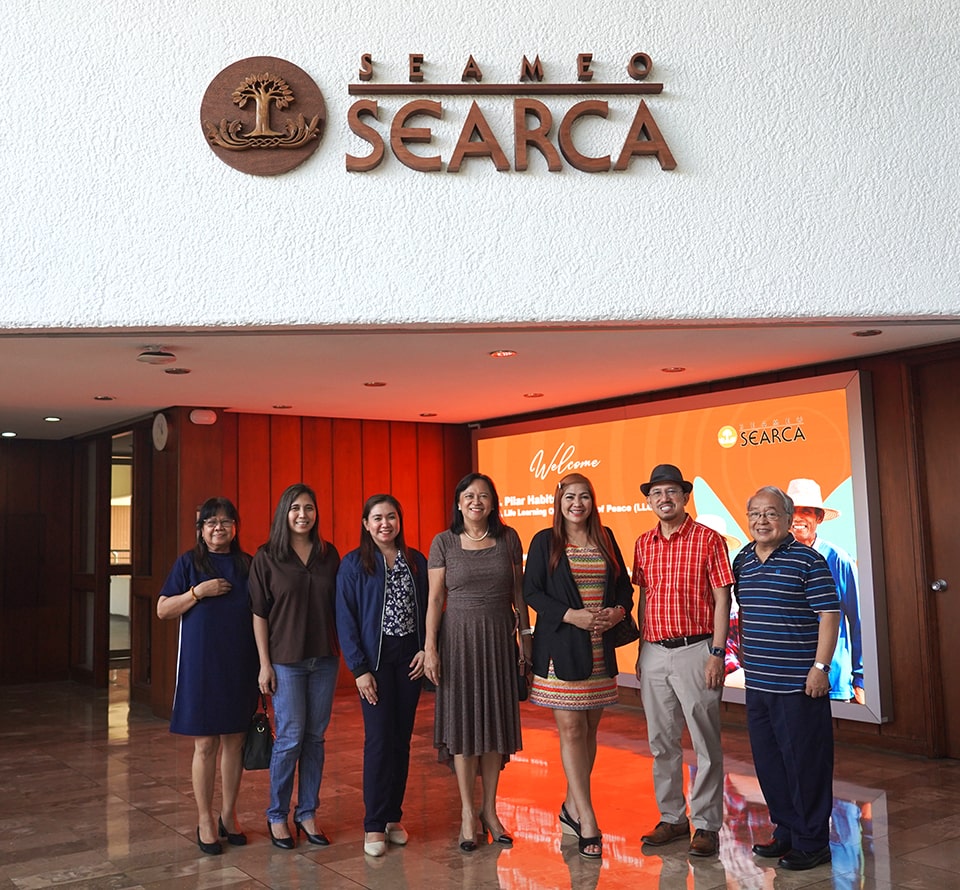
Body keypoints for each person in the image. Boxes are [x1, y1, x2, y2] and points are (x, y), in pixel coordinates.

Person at [523, 473, 635, 860]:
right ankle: (587, 817)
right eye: (570, 496)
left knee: (589, 728)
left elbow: (624, 587)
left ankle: (571, 805)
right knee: (570, 727)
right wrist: (573, 616)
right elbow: (531, 591)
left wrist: (617, 611)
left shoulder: (605, 536)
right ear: (559, 501)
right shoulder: (545, 540)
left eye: (584, 496)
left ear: (592, 500)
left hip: (600, 645)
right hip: (560, 648)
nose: (577, 503)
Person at [733, 486, 840, 871]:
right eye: (755, 513)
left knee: (806, 763)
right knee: (770, 762)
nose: (762, 521)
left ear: (787, 517)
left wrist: (820, 668)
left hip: (799, 684)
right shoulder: (743, 559)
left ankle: (813, 841)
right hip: (758, 683)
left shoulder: (808, 561)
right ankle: (788, 831)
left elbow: (830, 614)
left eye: (771, 513)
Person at [423, 472, 532, 852]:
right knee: (465, 727)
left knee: (494, 727)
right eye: (468, 495)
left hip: (499, 643)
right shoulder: (444, 542)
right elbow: (435, 600)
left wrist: (526, 639)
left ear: (493, 503)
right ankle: (468, 813)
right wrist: (431, 647)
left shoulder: (508, 538)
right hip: (458, 643)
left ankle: (491, 810)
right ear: (458, 502)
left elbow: (519, 595)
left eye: (483, 496)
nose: (476, 502)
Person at [631, 464, 733, 858]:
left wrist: (716, 652)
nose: (664, 499)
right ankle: (672, 818)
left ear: (685, 496)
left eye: (671, 491)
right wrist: (641, 650)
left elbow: (722, 598)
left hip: (697, 649)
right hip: (655, 650)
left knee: (705, 741)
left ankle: (706, 825)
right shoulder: (644, 543)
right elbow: (645, 600)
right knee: (660, 741)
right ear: (649, 500)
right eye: (656, 494)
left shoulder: (709, 540)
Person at [156, 497, 258, 856]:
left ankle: (229, 816)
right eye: (211, 522)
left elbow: (262, 614)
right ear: (200, 529)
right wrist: (198, 592)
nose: (219, 527)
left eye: (226, 521)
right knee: (205, 744)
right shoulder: (189, 562)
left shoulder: (248, 565)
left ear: (236, 527)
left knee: (235, 742)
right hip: (200, 666)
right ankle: (204, 818)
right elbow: (163, 609)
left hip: (240, 664)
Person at [335, 494, 429, 858]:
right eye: (377, 518)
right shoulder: (354, 564)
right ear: (365, 523)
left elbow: (430, 608)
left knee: (401, 740)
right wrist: (358, 670)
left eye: (391, 517)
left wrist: (426, 648)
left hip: (410, 660)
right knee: (377, 739)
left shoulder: (415, 561)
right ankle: (373, 824)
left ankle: (392, 816)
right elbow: (345, 620)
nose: (385, 524)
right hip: (373, 664)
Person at [249, 483, 340, 850]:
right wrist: (264, 665)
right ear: (284, 513)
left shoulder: (327, 554)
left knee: (315, 738)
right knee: (289, 738)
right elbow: (259, 614)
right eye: (296, 508)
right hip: (285, 660)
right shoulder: (267, 556)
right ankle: (276, 815)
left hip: (324, 658)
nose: (303, 514)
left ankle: (307, 812)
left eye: (309, 508)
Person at [786, 478, 864, 703]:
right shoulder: (776, 558)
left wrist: (861, 679)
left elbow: (859, 620)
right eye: (793, 511)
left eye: (807, 511)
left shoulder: (838, 559)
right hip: (788, 681)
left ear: (819, 518)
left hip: (832, 681)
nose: (798, 518)